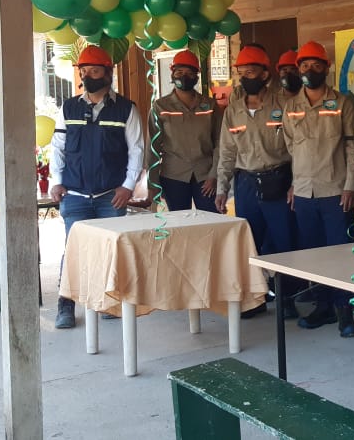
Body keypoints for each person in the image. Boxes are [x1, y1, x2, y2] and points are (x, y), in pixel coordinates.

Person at [49, 46, 145, 329]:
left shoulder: (126, 109)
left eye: (94, 70)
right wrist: (56, 180)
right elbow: (58, 147)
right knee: (74, 251)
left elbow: (137, 150)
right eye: (83, 71)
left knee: (111, 251)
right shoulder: (68, 107)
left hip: (111, 196)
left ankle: (108, 302)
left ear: (108, 73)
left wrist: (128, 186)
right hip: (75, 195)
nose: (88, 76)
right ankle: (66, 305)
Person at [281, 41, 354, 338]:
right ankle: (323, 307)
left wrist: (351, 185)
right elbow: (292, 148)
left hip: (336, 191)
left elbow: (353, 147)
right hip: (304, 192)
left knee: (341, 254)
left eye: (316, 65)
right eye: (305, 65)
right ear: (298, 69)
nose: (310, 70)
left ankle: (345, 312)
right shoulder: (291, 107)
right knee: (313, 255)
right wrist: (294, 183)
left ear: (327, 68)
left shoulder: (343, 103)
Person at [214, 45, 294, 318]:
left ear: (265, 74)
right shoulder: (233, 111)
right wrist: (222, 188)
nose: (246, 77)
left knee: (284, 243)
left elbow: (296, 147)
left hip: (278, 179)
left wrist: (296, 183)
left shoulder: (282, 105)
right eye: (242, 72)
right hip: (246, 183)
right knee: (250, 244)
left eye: (251, 72)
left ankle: (287, 298)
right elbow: (226, 152)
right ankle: (254, 300)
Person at [147, 50, 221, 213]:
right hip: (173, 176)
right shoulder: (160, 106)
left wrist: (214, 175)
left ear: (196, 76)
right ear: (172, 74)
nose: (184, 76)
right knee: (179, 222)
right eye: (179, 72)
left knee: (212, 220)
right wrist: (152, 183)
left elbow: (220, 142)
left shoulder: (210, 105)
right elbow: (152, 147)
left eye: (189, 73)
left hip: (205, 175)